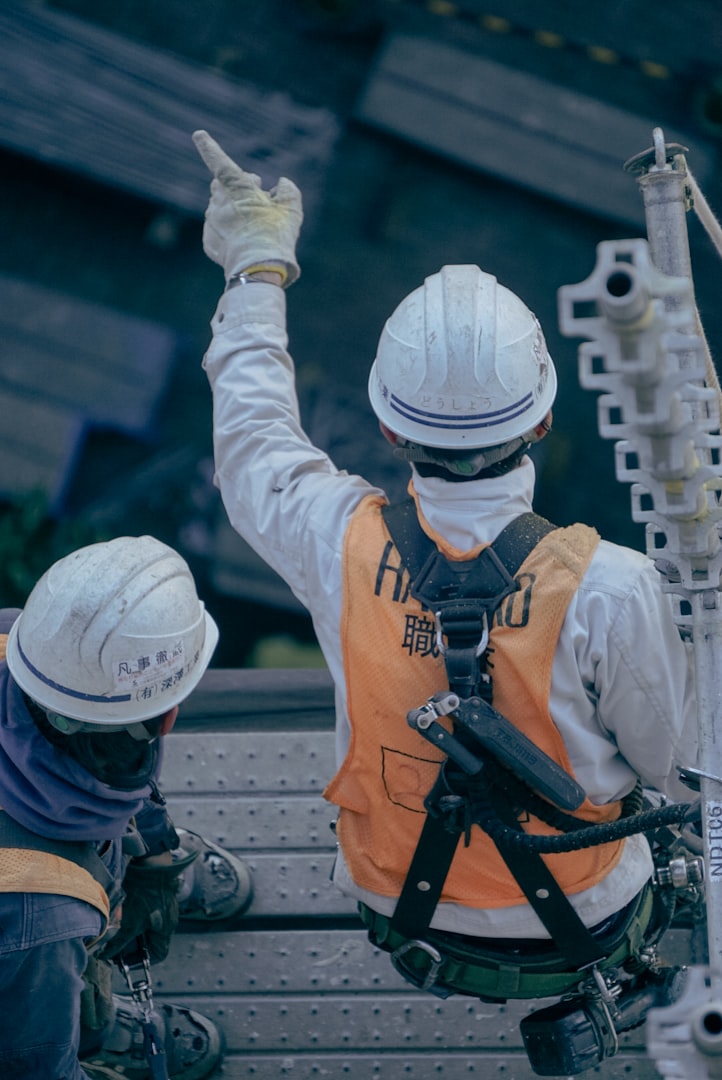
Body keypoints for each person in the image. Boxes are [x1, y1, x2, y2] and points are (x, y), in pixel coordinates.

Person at [191, 129, 698, 1053]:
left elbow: (254, 437)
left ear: (389, 424)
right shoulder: (615, 590)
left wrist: (255, 269)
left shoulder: (334, 541)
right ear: (543, 417)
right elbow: (684, 766)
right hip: (582, 922)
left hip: (402, 912)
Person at [0, 534, 253, 1080]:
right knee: (45, 1012)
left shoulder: (18, 639)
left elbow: (112, 757)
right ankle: (94, 1034)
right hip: (30, 952)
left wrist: (150, 849)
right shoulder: (40, 914)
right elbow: (31, 1070)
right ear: (169, 718)